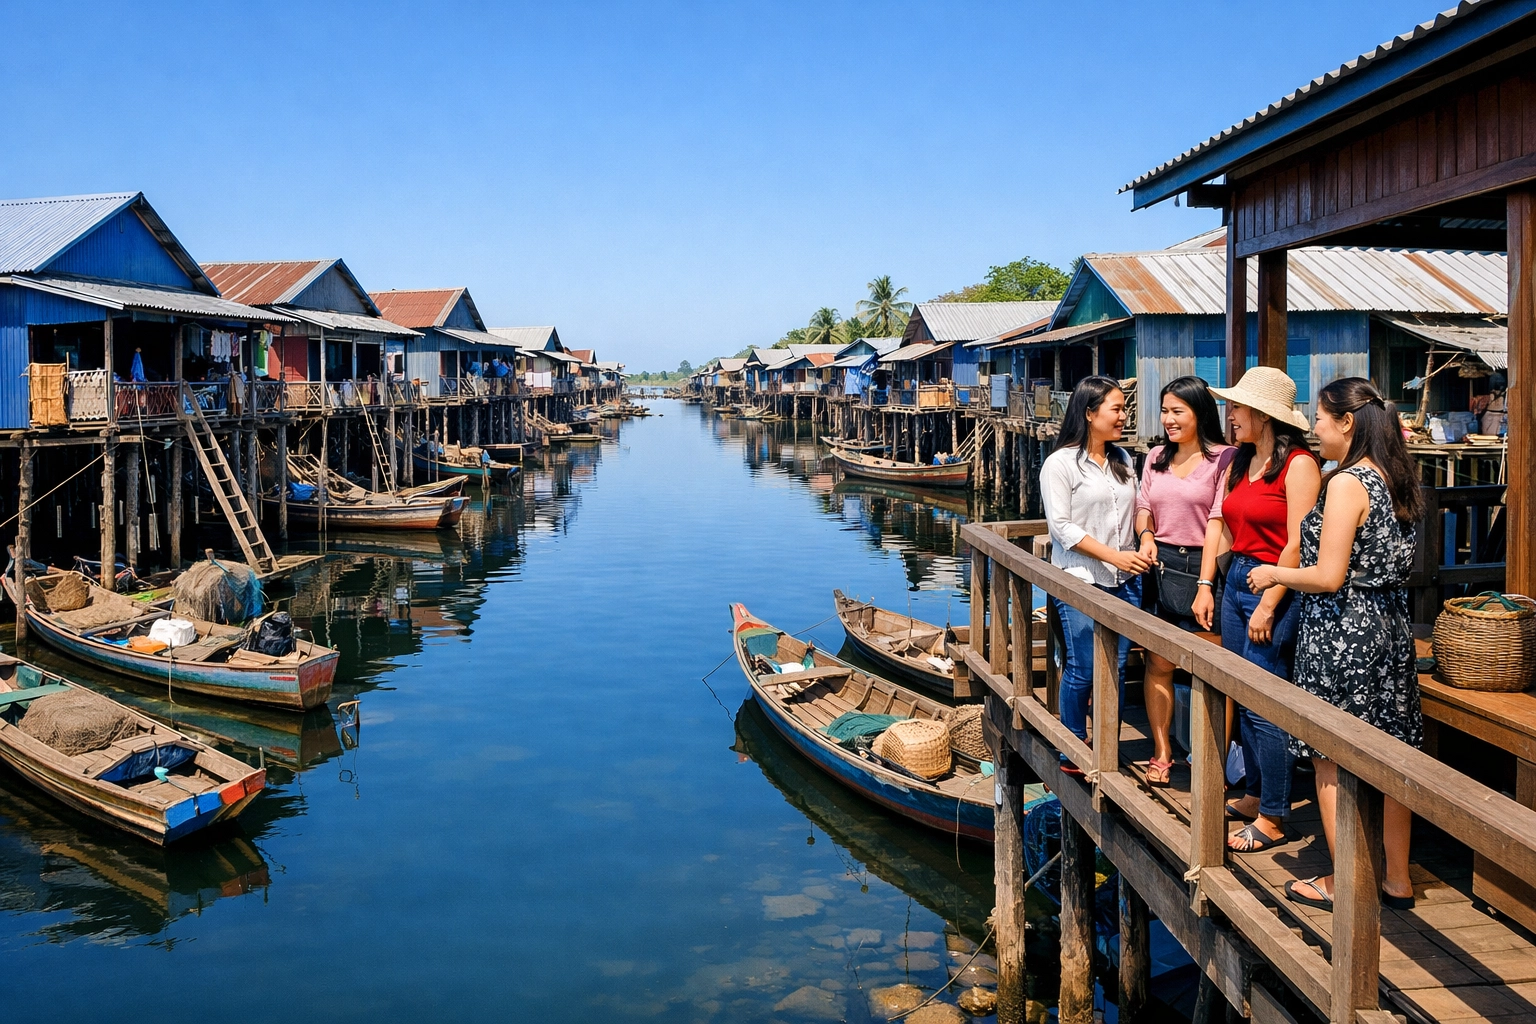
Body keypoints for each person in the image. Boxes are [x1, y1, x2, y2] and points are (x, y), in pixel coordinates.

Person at [1246, 378, 1423, 911]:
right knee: (1392, 762)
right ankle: (1396, 879)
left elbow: (1327, 576)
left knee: (1330, 757)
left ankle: (1346, 879)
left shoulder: (1348, 483)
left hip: (1344, 631)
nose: (1314, 429)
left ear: (1347, 422)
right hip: (1390, 629)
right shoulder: (1397, 477)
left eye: (1319, 419)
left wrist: (1272, 573)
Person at [1208, 366, 1321, 852]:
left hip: (1272, 586)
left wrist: (1270, 602)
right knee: (1239, 692)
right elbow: (1229, 526)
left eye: (1236, 408)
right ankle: (1255, 792)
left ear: (1263, 414)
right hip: (1236, 581)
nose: (1229, 416)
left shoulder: (1298, 465)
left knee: (1263, 705)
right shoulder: (1240, 461)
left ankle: (1275, 815)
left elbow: (1299, 542)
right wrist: (1208, 584)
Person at [1040, 375, 1149, 774]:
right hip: (1080, 580)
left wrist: (1145, 537)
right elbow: (1062, 528)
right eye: (1116, 409)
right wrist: (1114, 556)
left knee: (1116, 670)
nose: (1124, 415)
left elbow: (1137, 509)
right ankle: (1072, 742)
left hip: (1124, 582)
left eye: (1123, 408)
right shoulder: (1060, 464)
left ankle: (1105, 744)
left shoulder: (1123, 460)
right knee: (1084, 667)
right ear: (1089, 413)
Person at [1134, 376, 1235, 785]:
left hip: (1204, 567)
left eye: (1178, 411)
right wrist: (1145, 536)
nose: (1169, 420)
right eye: (1164, 411)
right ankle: (1162, 750)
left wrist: (1206, 584)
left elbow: (1219, 519)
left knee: (1213, 668)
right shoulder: (1156, 456)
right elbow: (1144, 505)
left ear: (1200, 413)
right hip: (1160, 567)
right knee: (1158, 661)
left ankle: (1210, 760)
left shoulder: (1224, 459)